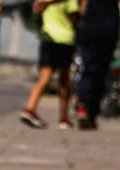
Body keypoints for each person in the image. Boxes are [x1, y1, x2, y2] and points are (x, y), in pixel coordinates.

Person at [20, 0, 80, 129]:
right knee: (64, 80)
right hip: (65, 39)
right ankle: (63, 118)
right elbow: (73, 16)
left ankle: (29, 108)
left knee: (43, 78)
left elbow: (36, 11)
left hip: (48, 37)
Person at [75, 0, 120, 130]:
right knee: (101, 73)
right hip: (108, 29)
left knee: (87, 70)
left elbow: (82, 7)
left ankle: (82, 107)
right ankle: (92, 114)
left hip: (89, 28)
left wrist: (81, 24)